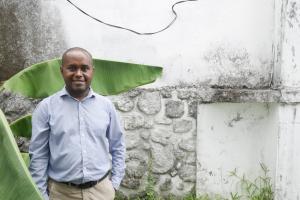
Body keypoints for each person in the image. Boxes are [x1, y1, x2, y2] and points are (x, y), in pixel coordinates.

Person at [29, 47, 126, 200]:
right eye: (72, 68)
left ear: (92, 71)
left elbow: (118, 145)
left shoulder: (106, 106)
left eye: (84, 68)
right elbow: (39, 155)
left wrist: (114, 184)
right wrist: (42, 195)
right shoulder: (46, 108)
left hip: (101, 191)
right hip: (62, 193)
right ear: (62, 71)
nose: (78, 74)